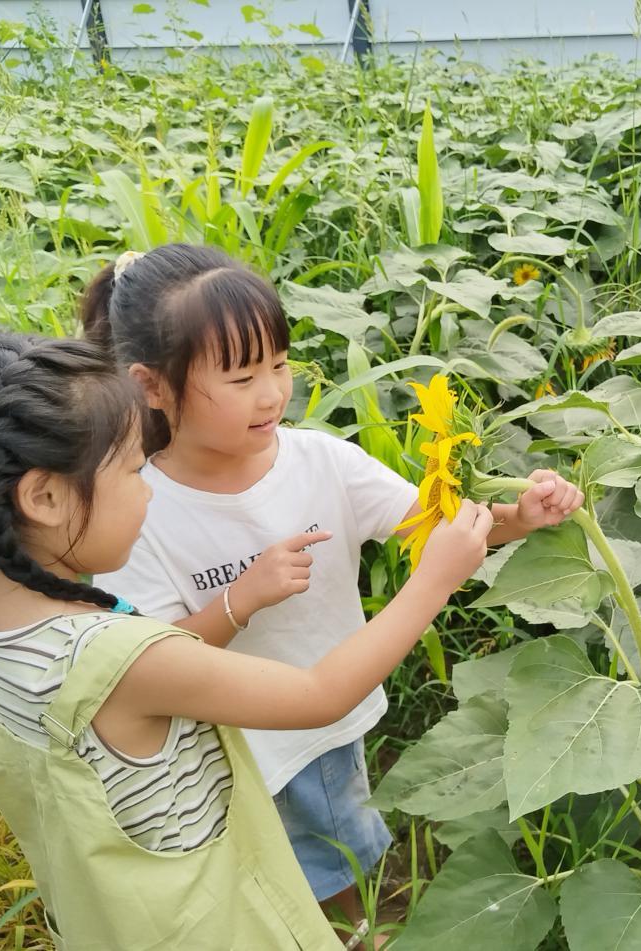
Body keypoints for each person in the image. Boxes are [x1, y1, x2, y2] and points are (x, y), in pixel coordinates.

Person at [81, 243, 583, 940]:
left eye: (279, 365)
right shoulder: (140, 507)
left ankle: (353, 927)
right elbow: (148, 660)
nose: (271, 393)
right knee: (294, 873)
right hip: (223, 753)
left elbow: (430, 526)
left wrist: (516, 517)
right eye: (241, 377)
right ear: (153, 385)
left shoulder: (322, 462)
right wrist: (240, 600)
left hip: (319, 730)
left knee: (333, 858)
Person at [0, 331, 494, 948]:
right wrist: (435, 579)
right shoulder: (121, 660)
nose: (148, 488)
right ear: (44, 497)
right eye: (133, 470)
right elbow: (320, 694)